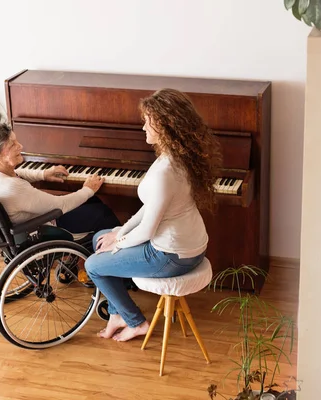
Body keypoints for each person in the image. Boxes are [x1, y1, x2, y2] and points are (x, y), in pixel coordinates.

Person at [85, 88, 222, 342]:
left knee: (92, 265)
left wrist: (120, 242)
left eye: (149, 121)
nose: (143, 127)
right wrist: (119, 232)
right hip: (190, 246)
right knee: (101, 238)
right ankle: (117, 314)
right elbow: (151, 206)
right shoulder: (179, 156)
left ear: (166, 125)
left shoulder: (165, 171)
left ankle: (136, 322)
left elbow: (148, 231)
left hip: (171, 255)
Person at [0, 122, 120, 236]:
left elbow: (17, 173)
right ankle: (112, 264)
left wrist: (42, 174)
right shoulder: (13, 188)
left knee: (94, 201)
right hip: (44, 228)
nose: (20, 146)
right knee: (102, 213)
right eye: (12, 145)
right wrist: (88, 189)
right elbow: (61, 205)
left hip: (32, 220)